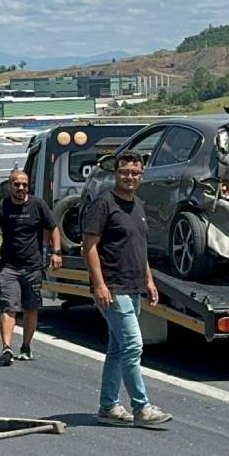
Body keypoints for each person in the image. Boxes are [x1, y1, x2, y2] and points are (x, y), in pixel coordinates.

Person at [82, 152, 173, 427]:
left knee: (118, 349)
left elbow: (138, 247)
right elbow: (89, 246)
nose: (129, 177)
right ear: (116, 174)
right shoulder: (104, 204)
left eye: (135, 173)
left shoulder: (139, 206)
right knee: (133, 346)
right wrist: (99, 284)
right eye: (124, 172)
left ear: (141, 176)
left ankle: (108, 406)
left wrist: (149, 280)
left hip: (133, 286)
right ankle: (141, 408)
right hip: (113, 288)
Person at [0, 169, 62, 366]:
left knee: (30, 308)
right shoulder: (1, 207)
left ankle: (26, 346)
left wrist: (56, 252)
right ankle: (6, 348)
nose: (20, 188)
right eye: (17, 184)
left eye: (24, 185)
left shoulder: (38, 205)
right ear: (10, 185)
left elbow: (53, 228)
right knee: (8, 307)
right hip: (9, 266)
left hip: (32, 267)